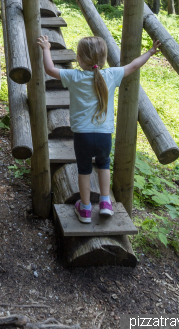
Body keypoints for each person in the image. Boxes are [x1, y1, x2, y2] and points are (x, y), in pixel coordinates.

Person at [37, 33, 161, 223]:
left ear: (79, 59)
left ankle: (85, 209)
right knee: (104, 165)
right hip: (104, 135)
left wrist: (46, 48)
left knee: (84, 169)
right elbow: (134, 65)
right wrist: (150, 52)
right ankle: (105, 203)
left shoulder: (74, 76)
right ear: (103, 59)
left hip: (82, 136)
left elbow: (50, 69)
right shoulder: (111, 74)